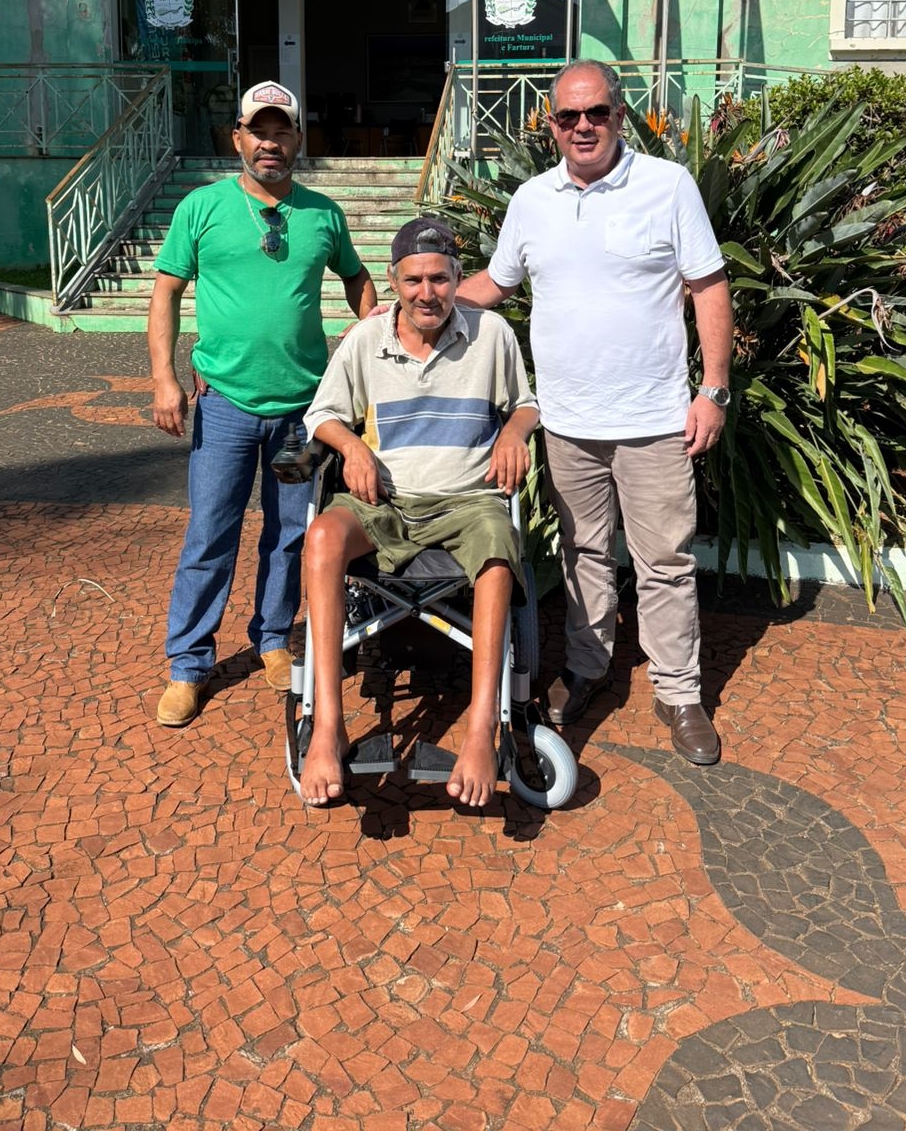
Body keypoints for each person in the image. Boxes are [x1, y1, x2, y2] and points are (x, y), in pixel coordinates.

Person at [458, 61, 733, 765]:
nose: (582, 127)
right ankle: (587, 667)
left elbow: (708, 286)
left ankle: (679, 691)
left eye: (596, 113)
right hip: (568, 423)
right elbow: (496, 282)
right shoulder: (532, 199)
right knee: (580, 553)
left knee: (664, 560)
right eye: (568, 116)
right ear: (551, 125)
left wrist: (713, 390)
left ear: (620, 115)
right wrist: (417, 303)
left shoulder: (667, 185)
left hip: (654, 421)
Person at [150, 80, 376, 727]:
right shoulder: (202, 207)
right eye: (259, 131)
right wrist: (164, 379)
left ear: (298, 139)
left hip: (301, 416)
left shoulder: (322, 214)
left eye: (282, 132)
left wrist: (367, 341)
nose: (270, 143)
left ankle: (274, 638)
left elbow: (357, 277)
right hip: (224, 407)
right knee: (210, 534)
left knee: (289, 533)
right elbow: (165, 292)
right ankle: (189, 664)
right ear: (238, 138)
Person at [297, 217, 539, 807]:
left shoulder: (491, 335)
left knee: (498, 549)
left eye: (439, 278)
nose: (426, 293)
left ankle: (481, 730)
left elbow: (526, 404)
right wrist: (352, 447)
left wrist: (514, 432)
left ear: (458, 277)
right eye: (413, 280)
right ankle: (327, 726)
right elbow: (321, 415)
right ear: (393, 280)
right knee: (322, 537)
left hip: (467, 499)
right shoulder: (365, 340)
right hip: (385, 500)